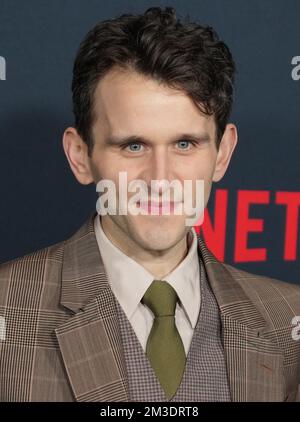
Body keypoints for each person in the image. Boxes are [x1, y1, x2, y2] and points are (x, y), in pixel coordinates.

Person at [0, 6, 299, 402]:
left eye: (184, 144)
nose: (160, 179)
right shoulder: (9, 310)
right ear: (80, 156)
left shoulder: (287, 319)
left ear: (223, 154)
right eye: (133, 145)